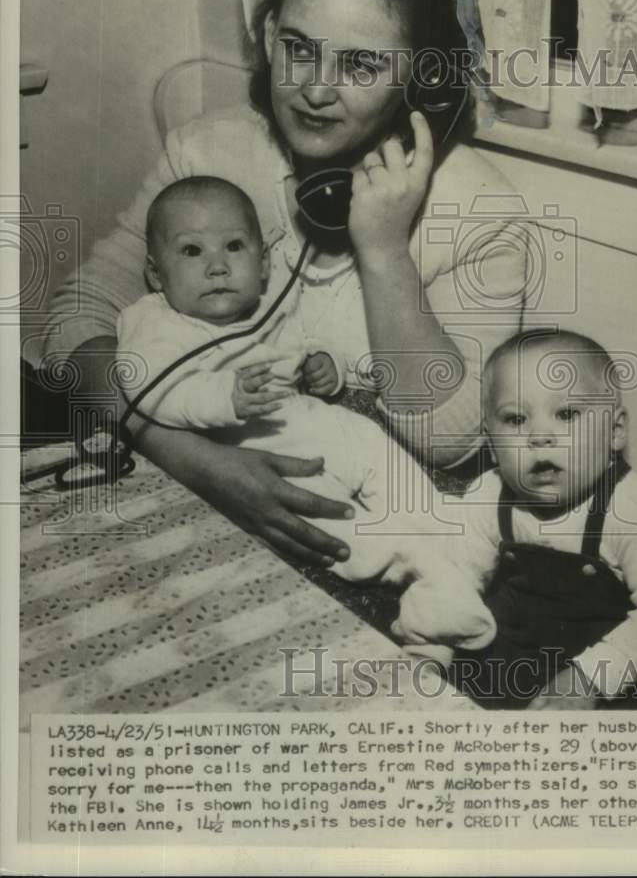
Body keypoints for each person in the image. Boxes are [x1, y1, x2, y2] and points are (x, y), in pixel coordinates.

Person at [41, 0, 528, 568]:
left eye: (359, 63)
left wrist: (383, 249)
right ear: (270, 37)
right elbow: (75, 322)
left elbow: (448, 442)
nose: (315, 89)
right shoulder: (209, 150)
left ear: (420, 78)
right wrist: (186, 455)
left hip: (377, 528)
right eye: (299, 47)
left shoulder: (482, 212)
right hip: (207, 481)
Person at [116, 175, 496, 656]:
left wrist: (326, 367)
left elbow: (302, 343)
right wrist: (221, 398)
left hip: (319, 424)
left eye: (234, 246)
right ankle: (420, 574)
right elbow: (145, 386)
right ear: (155, 273)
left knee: (376, 447)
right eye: (191, 251)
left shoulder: (265, 306)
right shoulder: (153, 321)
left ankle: (443, 527)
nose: (216, 266)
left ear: (262, 264)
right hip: (259, 454)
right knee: (332, 519)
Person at [445, 329, 637, 709]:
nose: (539, 436)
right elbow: (458, 576)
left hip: (632, 654)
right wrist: (438, 633)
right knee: (465, 680)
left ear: (615, 431)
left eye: (566, 414)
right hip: (532, 638)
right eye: (516, 419)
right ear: (490, 443)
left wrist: (589, 678)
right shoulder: (486, 495)